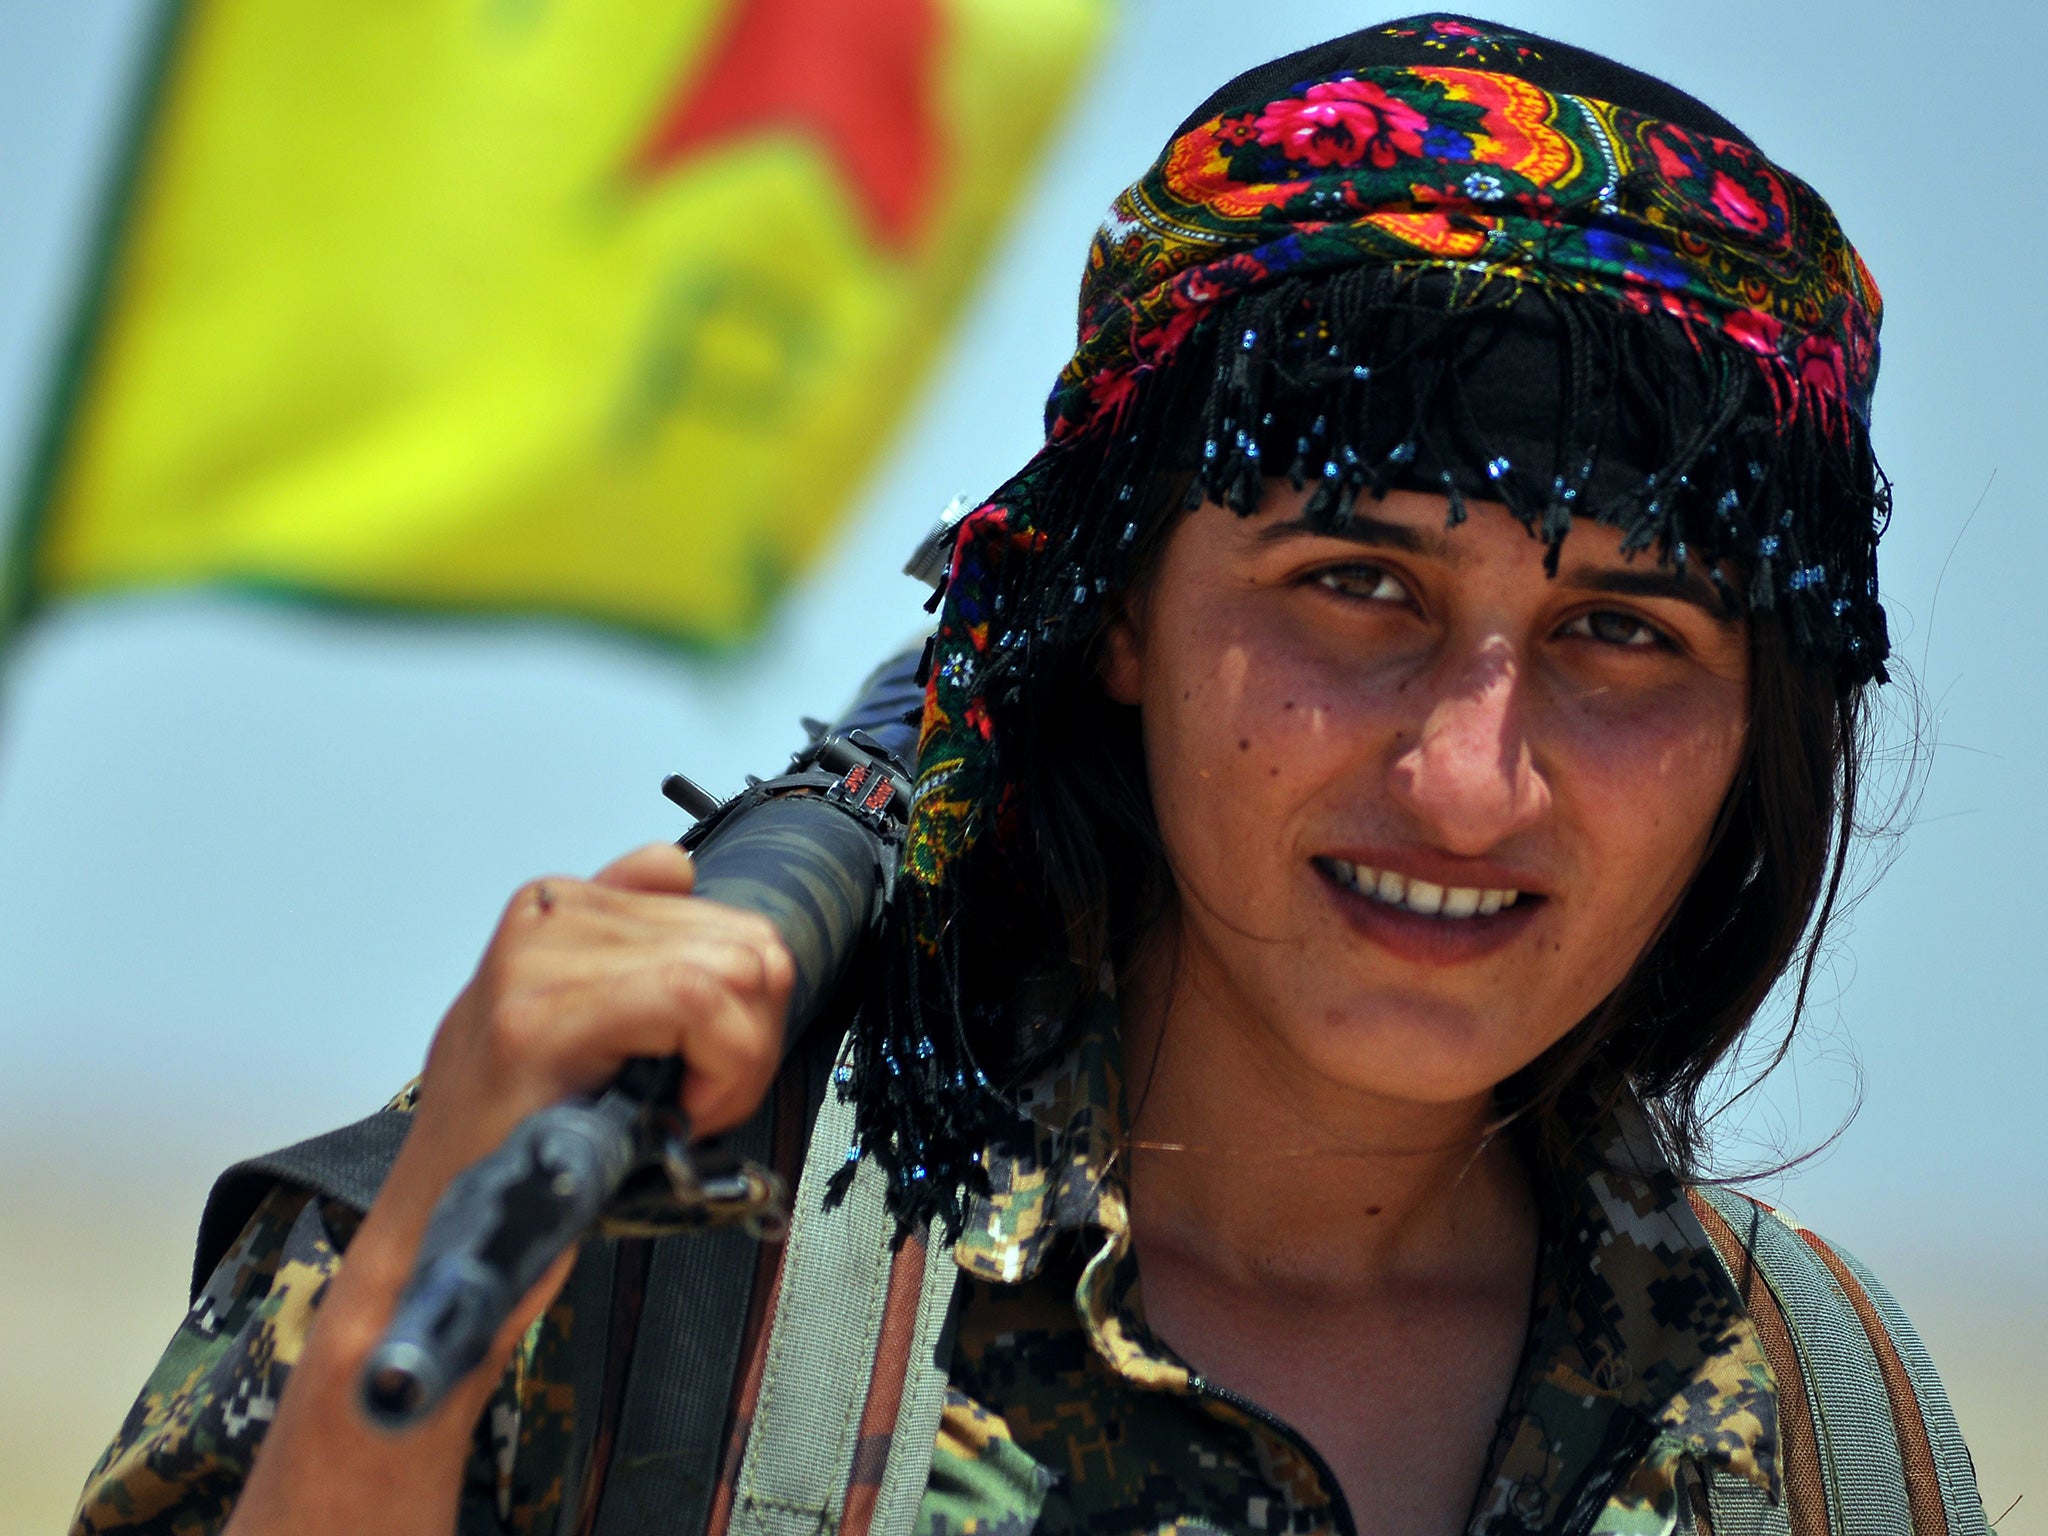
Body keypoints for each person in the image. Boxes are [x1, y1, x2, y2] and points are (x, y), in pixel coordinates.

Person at [74, 16, 1988, 1536]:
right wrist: (409, 1294)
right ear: (1120, 618)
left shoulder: (1820, 1424)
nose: (1474, 781)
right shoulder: (628, 1246)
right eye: (1354, 586)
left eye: (1627, 634)